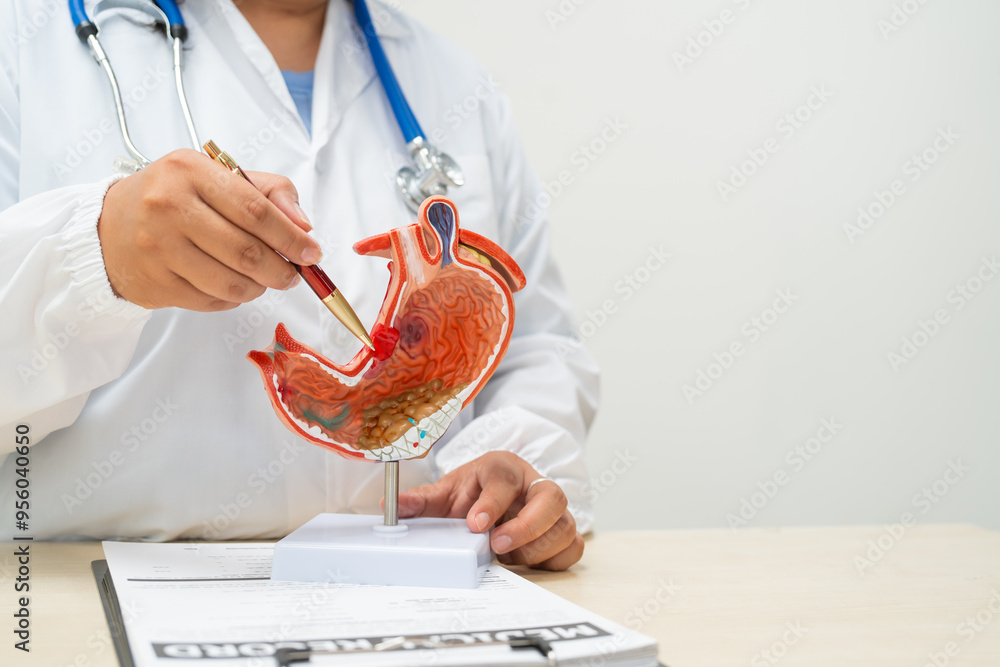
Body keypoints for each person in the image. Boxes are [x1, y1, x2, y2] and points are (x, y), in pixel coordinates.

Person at [0, 0, 598, 571]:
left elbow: (535, 349)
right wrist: (97, 254)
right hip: (85, 584)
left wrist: (510, 471)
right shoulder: (23, 45)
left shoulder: (454, 83)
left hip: (418, 586)